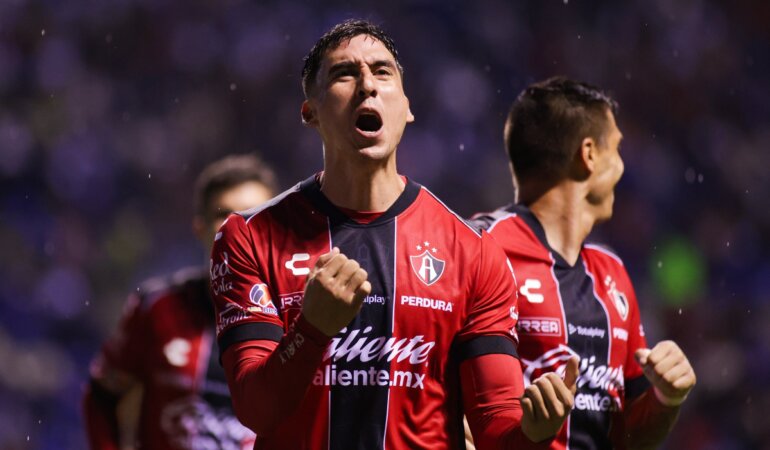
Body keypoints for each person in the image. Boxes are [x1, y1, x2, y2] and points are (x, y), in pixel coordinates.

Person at [210, 19, 577, 450]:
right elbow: (256, 409)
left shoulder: (473, 252)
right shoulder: (248, 237)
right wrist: (311, 330)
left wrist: (534, 433)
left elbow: (496, 428)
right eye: (344, 74)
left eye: (382, 72)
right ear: (310, 113)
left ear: (406, 108)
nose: (367, 84)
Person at [471, 76, 697, 449]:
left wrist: (666, 398)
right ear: (588, 154)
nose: (623, 167)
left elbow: (627, 437)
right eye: (617, 149)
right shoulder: (478, 247)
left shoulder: (612, 273)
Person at [83, 154, 278, 450]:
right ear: (200, 229)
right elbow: (101, 397)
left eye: (254, 216)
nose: (239, 229)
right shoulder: (157, 308)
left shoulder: (301, 317)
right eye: (225, 216)